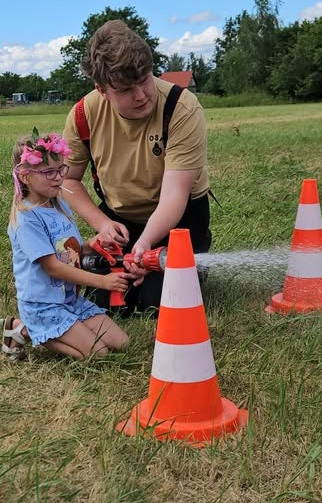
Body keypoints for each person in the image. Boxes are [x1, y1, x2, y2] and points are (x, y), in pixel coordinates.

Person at [62, 19, 211, 311]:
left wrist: (144, 246)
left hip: (179, 219)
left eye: (144, 79)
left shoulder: (182, 107)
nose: (142, 95)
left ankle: (196, 256)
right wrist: (102, 224)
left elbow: (174, 195)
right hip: (119, 219)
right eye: (126, 90)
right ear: (102, 90)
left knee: (157, 302)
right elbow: (68, 182)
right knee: (109, 300)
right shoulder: (83, 114)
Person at [3, 131, 130, 361]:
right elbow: (54, 267)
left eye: (61, 169)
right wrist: (103, 282)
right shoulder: (27, 218)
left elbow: (68, 252)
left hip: (69, 300)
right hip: (44, 305)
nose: (57, 177)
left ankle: (52, 328)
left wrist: (92, 244)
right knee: (98, 354)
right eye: (48, 172)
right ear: (25, 176)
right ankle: (25, 328)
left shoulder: (59, 204)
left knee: (122, 343)